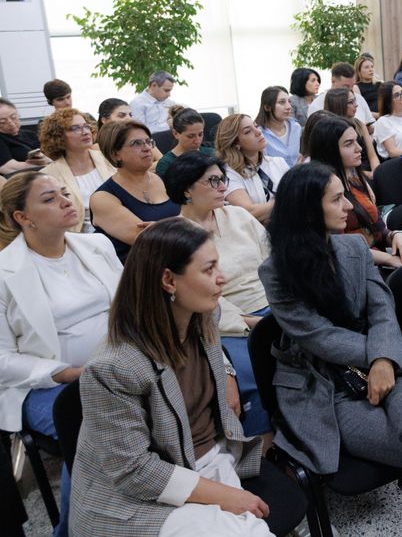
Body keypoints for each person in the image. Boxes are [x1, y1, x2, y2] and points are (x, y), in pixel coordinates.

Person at [258, 163, 402, 536]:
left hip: (385, 365)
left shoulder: (353, 248)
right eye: (337, 199)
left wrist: (385, 361)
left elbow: (382, 309)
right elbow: (319, 336)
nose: (349, 206)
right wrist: (392, 358)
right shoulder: (276, 271)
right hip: (327, 389)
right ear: (309, 210)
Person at [70, 218, 306, 537]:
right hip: (140, 494)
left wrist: (227, 371)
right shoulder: (113, 367)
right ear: (169, 280)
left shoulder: (203, 314)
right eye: (209, 269)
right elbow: (134, 472)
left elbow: (210, 362)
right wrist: (225, 496)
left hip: (208, 457)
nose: (222, 278)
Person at [0, 172, 122, 536]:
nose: (67, 201)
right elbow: (2, 360)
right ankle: (72, 530)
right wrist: (70, 373)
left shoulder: (96, 245)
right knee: (96, 426)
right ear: (23, 217)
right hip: (46, 385)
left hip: (116, 366)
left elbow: (129, 307)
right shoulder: (4, 273)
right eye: (50, 199)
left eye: (65, 193)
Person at [164, 153, 274, 439]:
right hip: (225, 323)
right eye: (212, 181)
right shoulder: (176, 236)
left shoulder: (238, 216)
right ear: (186, 190)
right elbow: (199, 299)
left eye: (222, 179)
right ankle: (263, 447)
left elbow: (273, 262)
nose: (222, 186)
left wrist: (283, 305)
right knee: (253, 374)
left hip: (273, 305)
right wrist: (252, 322)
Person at [307, 116, 402, 269]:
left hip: (378, 257)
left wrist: (394, 235)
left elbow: (377, 230)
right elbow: (338, 247)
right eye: (349, 144)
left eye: (357, 141)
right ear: (330, 150)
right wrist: (388, 259)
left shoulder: (355, 179)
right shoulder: (324, 192)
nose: (359, 148)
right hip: (356, 267)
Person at [91, 120, 180, 261]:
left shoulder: (165, 178)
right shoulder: (102, 198)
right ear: (115, 154)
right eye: (136, 143)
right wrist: (186, 225)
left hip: (180, 260)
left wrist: (162, 228)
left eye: (148, 142)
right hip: (141, 268)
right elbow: (150, 241)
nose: (147, 148)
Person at [38, 109, 115, 233]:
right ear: (58, 137)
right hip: (82, 235)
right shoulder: (48, 175)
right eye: (75, 128)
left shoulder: (108, 157)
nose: (85, 132)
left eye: (86, 126)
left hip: (119, 222)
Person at [214, 114, 289, 224]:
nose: (258, 132)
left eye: (256, 126)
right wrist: (286, 201)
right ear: (235, 143)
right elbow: (249, 213)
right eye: (248, 131)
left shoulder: (278, 162)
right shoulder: (228, 174)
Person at [322, 88, 380, 174]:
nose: (356, 105)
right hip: (348, 174)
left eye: (355, 100)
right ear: (338, 105)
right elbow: (336, 165)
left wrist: (376, 172)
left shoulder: (359, 124)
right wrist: (364, 174)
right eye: (350, 102)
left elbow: (372, 156)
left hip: (368, 171)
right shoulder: (329, 130)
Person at [308, 63, 376, 128]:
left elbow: (371, 122)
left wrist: (368, 128)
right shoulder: (317, 106)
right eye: (346, 86)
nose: (350, 90)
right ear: (333, 81)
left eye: (352, 86)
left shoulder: (359, 99)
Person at [155, 106, 214, 177]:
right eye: (190, 136)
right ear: (176, 134)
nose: (197, 141)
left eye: (200, 134)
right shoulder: (166, 164)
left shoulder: (212, 154)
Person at [254, 86, 302, 167]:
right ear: (267, 107)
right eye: (282, 102)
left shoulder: (296, 127)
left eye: (289, 101)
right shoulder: (259, 134)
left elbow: (298, 157)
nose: (289, 107)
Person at [0, 99, 50, 175]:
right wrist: (45, 165)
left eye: (13, 117)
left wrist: (47, 160)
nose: (11, 124)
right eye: (2, 122)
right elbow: (8, 167)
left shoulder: (30, 134)